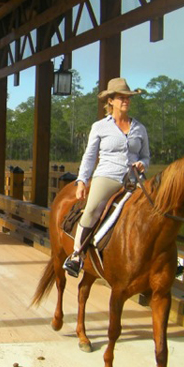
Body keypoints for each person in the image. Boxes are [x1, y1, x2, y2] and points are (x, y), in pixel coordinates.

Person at [63, 77, 150, 278]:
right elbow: (90, 156)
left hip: (134, 180)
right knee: (92, 210)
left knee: (156, 208)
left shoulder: (140, 128)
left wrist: (142, 164)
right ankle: (77, 255)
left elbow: (146, 156)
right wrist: (82, 181)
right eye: (121, 98)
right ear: (110, 101)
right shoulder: (100, 127)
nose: (126, 101)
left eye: (128, 98)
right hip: (107, 176)